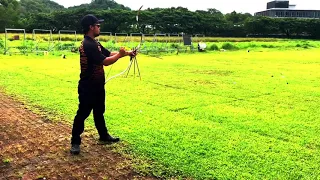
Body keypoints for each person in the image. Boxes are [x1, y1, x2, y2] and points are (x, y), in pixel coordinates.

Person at [70, 14, 137, 155]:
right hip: (88, 87)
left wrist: (127, 53)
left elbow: (108, 53)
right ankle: (75, 142)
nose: (100, 27)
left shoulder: (95, 43)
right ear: (91, 27)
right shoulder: (88, 44)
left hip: (98, 86)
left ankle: (103, 135)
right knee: (82, 114)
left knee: (99, 112)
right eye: (98, 25)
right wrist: (119, 55)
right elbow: (106, 61)